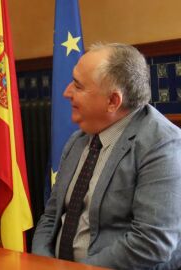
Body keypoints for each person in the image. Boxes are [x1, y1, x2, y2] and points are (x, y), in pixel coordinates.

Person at [32, 43, 181, 269]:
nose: (66, 92)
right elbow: (51, 217)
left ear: (113, 101)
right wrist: (42, 262)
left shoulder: (162, 144)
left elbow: (151, 242)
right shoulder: (78, 140)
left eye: (78, 86)